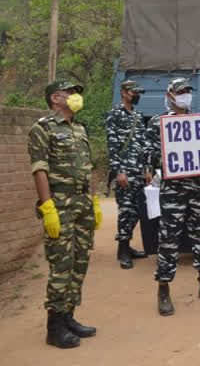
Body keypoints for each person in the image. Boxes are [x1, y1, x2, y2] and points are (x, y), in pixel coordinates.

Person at [28, 80, 101, 348]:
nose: (75, 97)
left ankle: (69, 316)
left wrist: (93, 201)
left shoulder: (80, 128)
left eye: (76, 93)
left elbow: (88, 167)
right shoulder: (42, 128)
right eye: (70, 93)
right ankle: (54, 326)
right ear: (55, 98)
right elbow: (40, 169)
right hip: (59, 205)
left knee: (79, 263)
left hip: (82, 204)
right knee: (61, 265)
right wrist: (48, 207)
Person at [144, 77, 200, 315]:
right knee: (169, 241)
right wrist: (166, 159)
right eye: (181, 92)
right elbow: (148, 154)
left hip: (198, 189)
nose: (186, 95)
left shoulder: (199, 122)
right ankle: (163, 289)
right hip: (173, 192)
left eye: (188, 91)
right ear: (170, 96)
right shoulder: (158, 124)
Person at [105, 80, 152, 270]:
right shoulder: (114, 115)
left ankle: (127, 247)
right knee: (126, 211)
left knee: (136, 212)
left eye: (138, 92)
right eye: (134, 92)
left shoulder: (138, 116)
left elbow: (144, 144)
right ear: (124, 92)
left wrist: (148, 168)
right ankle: (123, 250)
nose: (137, 95)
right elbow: (112, 145)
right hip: (125, 171)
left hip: (139, 172)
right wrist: (119, 171)